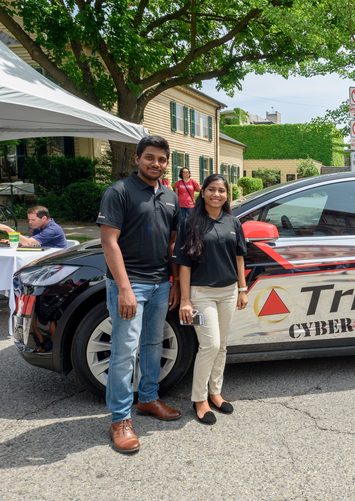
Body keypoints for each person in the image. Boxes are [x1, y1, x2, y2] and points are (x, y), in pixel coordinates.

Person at [97, 135, 183, 454]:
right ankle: (119, 419)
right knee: (123, 352)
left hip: (161, 283)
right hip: (130, 284)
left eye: (161, 159)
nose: (155, 164)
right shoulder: (118, 192)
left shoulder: (171, 196)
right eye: (150, 158)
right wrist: (124, 288)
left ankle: (148, 399)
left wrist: (173, 280)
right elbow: (109, 243)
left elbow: (172, 241)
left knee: (151, 343)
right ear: (137, 159)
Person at [172, 174, 248, 425]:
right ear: (202, 192)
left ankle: (215, 392)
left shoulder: (233, 222)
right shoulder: (190, 222)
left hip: (228, 293)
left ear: (228, 195)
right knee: (210, 345)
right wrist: (185, 300)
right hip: (200, 293)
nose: (217, 194)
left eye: (222, 191)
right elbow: (183, 264)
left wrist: (242, 289)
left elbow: (239, 258)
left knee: (222, 345)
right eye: (211, 190)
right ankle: (199, 398)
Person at [0, 205, 67, 248]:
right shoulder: (39, 227)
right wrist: (17, 241)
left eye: (33, 220)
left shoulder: (53, 229)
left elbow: (28, 243)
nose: (30, 222)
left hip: (56, 264)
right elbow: (31, 242)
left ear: (44, 218)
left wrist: (7, 229)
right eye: (29, 219)